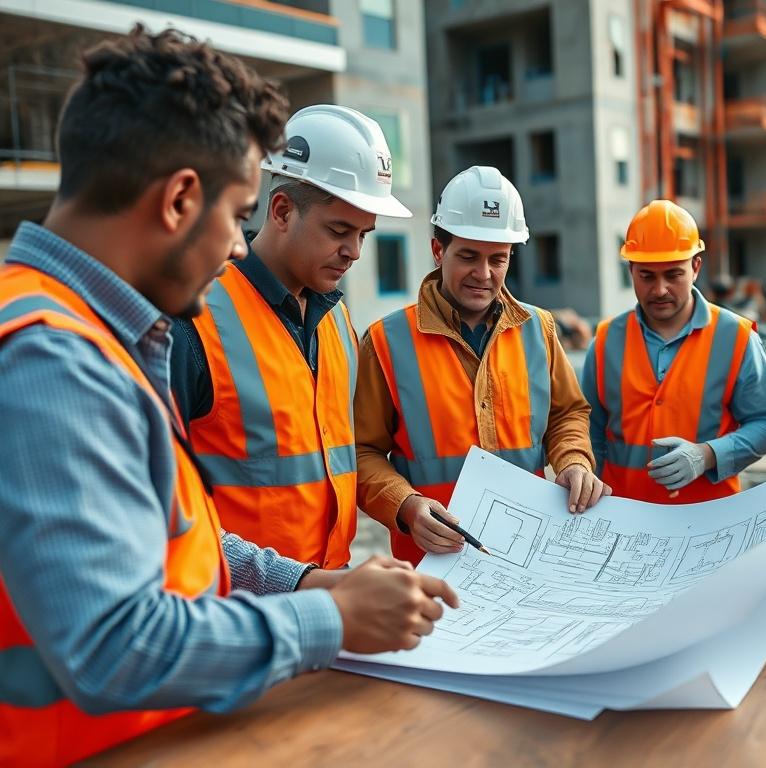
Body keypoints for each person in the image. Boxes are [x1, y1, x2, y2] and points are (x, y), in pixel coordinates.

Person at [0, 27, 456, 766]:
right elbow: (113, 647)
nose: (238, 246)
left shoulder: (95, 336)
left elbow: (184, 538)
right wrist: (329, 619)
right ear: (181, 199)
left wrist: (309, 583)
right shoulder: (51, 360)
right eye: (237, 210)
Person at [170, 104, 411, 568]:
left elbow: (343, 459)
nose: (354, 251)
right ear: (281, 210)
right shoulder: (193, 319)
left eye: (364, 234)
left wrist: (405, 505)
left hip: (333, 591)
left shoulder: (338, 322)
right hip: (235, 602)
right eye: (339, 230)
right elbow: (162, 507)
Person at [355, 165, 608, 564]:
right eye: (469, 256)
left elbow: (567, 415)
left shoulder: (539, 329)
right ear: (438, 250)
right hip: (430, 564)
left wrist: (573, 460)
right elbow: (361, 451)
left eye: (498, 259)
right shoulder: (386, 341)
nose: (484, 274)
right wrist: (404, 504)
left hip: (526, 558)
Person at [582, 200, 766, 503]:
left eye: (673, 274)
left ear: (696, 268)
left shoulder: (736, 337)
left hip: (709, 517)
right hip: (624, 515)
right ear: (631, 271)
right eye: (647, 276)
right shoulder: (606, 340)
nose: (660, 289)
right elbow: (587, 430)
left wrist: (708, 455)